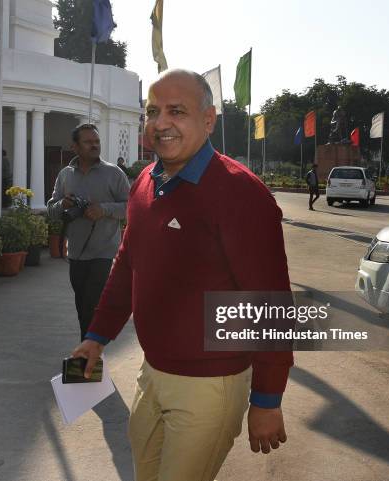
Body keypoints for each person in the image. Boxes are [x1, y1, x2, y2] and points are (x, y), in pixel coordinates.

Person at [71, 70, 293, 481]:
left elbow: (271, 305)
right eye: (153, 111)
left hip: (210, 386)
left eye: (177, 111)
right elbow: (127, 263)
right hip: (151, 374)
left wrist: (267, 398)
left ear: (208, 120)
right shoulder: (144, 182)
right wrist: (97, 336)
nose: (161, 123)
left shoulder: (241, 193)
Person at [47, 124, 129, 341]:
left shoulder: (114, 173)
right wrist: (64, 205)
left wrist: (103, 209)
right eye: (88, 142)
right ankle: (89, 354)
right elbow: (51, 209)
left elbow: (131, 207)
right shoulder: (65, 175)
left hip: (104, 251)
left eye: (97, 141)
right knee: (82, 303)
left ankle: (87, 355)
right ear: (75, 146)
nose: (94, 145)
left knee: (91, 304)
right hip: (76, 252)